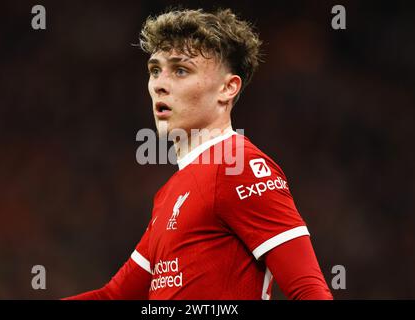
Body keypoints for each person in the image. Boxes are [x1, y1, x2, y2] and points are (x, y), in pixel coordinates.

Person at [65, 8, 333, 300]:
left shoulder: (239, 165)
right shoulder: (169, 193)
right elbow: (115, 296)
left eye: (181, 70)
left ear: (227, 88)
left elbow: (308, 290)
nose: (159, 84)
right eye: (155, 70)